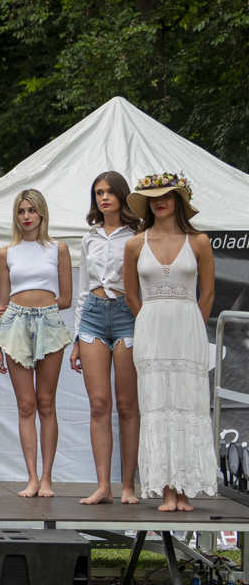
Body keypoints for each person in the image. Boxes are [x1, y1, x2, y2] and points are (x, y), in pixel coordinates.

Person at [124, 172, 217, 511]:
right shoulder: (135, 244)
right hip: (151, 330)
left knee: (188, 403)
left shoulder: (199, 242)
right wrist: (149, 321)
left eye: (166, 195)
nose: (159, 202)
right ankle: (166, 489)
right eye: (153, 198)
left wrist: (193, 325)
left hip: (188, 329)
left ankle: (185, 489)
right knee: (156, 405)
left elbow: (208, 293)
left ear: (178, 200)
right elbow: (131, 295)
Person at [0, 189, 73, 498]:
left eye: (31, 210)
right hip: (15, 323)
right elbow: (2, 303)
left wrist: (43, 308)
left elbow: (66, 297)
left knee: (46, 402)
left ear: (41, 213)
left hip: (48, 322)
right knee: (25, 404)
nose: (26, 216)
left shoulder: (57, 249)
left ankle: (47, 477)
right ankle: (31, 477)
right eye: (21, 211)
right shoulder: (6, 253)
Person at [68, 171, 142, 505]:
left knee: (127, 405)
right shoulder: (90, 238)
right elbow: (83, 288)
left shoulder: (137, 235)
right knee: (99, 404)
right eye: (99, 192)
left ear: (122, 195)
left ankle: (127, 485)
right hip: (93, 317)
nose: (104, 198)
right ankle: (102, 486)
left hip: (127, 315)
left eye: (110, 192)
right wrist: (76, 337)